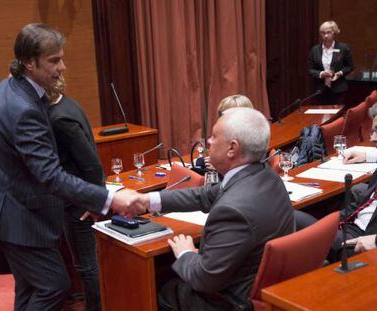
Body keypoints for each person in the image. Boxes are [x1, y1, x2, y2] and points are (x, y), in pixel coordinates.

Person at [0, 23, 139, 310]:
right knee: (54, 286)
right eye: (54, 60)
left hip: (2, 210)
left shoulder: (4, 90)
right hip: (18, 217)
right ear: (29, 62)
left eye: (61, 58)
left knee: (29, 289)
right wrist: (109, 197)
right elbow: (50, 174)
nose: (62, 67)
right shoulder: (23, 108)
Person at [134, 108, 295, 309]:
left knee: (160, 287)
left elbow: (204, 280)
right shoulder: (265, 175)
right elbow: (204, 195)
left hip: (229, 300)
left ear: (232, 148)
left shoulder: (233, 210)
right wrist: (145, 200)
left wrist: (186, 254)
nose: (208, 141)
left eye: (214, 136)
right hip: (262, 285)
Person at [46, 77, 103, 310]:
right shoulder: (68, 104)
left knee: (87, 266)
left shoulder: (58, 118)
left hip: (78, 203)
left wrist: (95, 201)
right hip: (81, 197)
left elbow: (91, 164)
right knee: (88, 264)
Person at [322, 102, 377, 262]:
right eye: (373, 131)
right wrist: (368, 156)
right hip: (351, 222)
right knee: (292, 217)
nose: (372, 138)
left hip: (364, 237)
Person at [308, 20, 354, 106]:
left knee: (336, 116)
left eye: (328, 32)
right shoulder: (315, 50)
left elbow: (350, 66)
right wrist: (321, 73)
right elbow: (310, 70)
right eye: (323, 33)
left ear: (334, 33)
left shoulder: (343, 48)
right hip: (320, 90)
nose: (325, 35)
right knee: (321, 117)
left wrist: (339, 74)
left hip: (338, 89)